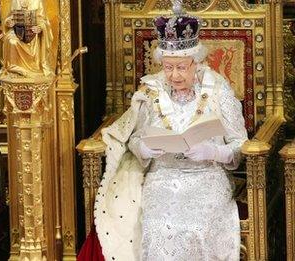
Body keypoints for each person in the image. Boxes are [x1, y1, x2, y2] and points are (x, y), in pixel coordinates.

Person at [80, 2, 248, 260]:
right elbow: (133, 137)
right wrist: (143, 148)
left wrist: (213, 151)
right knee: (157, 225)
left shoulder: (218, 90)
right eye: (168, 67)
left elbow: (240, 145)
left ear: (196, 63)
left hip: (206, 178)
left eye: (181, 67)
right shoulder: (151, 90)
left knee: (196, 227)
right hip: (163, 176)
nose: (174, 75)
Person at [2, 0, 54, 77]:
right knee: (11, 40)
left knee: (30, 38)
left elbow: (43, 21)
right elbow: (10, 17)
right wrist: (8, 22)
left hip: (32, 33)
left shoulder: (37, 1)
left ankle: (34, 68)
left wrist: (40, 27)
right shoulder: (15, 1)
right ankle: (14, 68)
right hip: (17, 31)